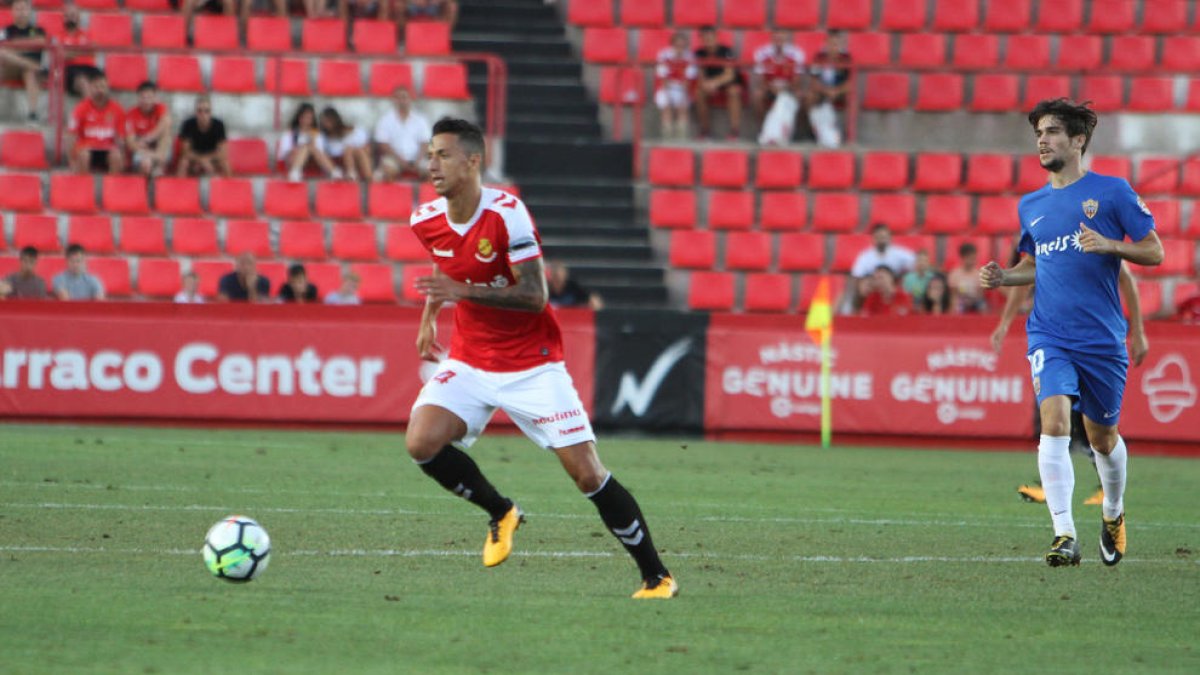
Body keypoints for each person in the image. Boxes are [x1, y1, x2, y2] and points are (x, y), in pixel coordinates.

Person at [407, 118, 677, 599]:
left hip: (532, 363)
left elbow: (534, 296)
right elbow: (444, 261)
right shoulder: (424, 220)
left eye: (443, 154)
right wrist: (430, 314)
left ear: (473, 161)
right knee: (422, 442)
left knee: (587, 473)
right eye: (430, 154)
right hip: (470, 359)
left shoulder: (507, 214)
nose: (432, 164)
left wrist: (459, 290)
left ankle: (656, 576)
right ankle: (502, 512)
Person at [979, 99, 1164, 568]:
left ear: (1078, 140)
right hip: (1049, 334)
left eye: (1053, 131)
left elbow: (1154, 251)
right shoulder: (1032, 205)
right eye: (1039, 132)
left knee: (1103, 439)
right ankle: (1064, 534)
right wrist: (1005, 277)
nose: (1042, 140)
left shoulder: (1113, 192)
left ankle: (1114, 511)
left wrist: (1110, 245)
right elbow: (1034, 265)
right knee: (1055, 424)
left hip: (1101, 339)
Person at [752, 30, 805, 139]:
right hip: (769, 87)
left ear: (787, 38)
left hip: (789, 87)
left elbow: (797, 80)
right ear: (772, 38)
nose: (779, 40)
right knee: (757, 95)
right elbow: (760, 79)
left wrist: (785, 88)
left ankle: (796, 132)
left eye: (782, 38)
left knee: (800, 95)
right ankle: (763, 129)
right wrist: (771, 87)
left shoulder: (796, 53)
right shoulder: (762, 52)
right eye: (777, 38)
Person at [693, 26, 743, 140]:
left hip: (727, 82)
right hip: (710, 83)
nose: (708, 41)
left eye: (711, 37)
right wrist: (706, 84)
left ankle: (734, 131)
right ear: (701, 39)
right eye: (705, 38)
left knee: (734, 92)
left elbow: (729, 74)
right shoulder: (699, 53)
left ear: (716, 37)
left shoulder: (726, 51)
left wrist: (715, 83)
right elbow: (700, 74)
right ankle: (705, 131)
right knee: (699, 93)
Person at [803, 29, 852, 148]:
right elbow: (814, 82)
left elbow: (850, 83)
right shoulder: (819, 57)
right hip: (822, 90)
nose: (833, 47)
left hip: (839, 91)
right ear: (826, 43)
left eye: (836, 44)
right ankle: (815, 130)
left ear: (841, 45)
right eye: (831, 43)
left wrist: (836, 91)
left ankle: (848, 135)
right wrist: (826, 91)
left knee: (851, 97)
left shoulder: (847, 58)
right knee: (809, 97)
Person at [68, 73, 124, 174]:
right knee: (84, 155)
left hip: (107, 149)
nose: (99, 90)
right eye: (96, 87)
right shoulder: (80, 108)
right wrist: (71, 159)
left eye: (102, 86)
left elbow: (121, 137)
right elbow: (71, 135)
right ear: (90, 88)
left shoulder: (117, 108)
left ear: (107, 88)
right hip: (86, 148)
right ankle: (84, 187)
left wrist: (122, 156)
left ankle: (111, 188)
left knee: (116, 156)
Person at [0, 0, 45, 122]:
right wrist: (28, 45)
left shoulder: (38, 30)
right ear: (13, 11)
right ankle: (31, 65)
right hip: (11, 68)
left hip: (29, 71)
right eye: (18, 9)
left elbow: (40, 42)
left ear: (30, 11)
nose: (21, 12)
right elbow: (2, 50)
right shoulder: (5, 30)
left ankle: (32, 114)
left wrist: (13, 47)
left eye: (24, 9)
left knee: (29, 72)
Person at [374, 87, 431, 180]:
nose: (402, 101)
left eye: (404, 97)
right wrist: (401, 161)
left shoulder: (420, 119)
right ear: (394, 100)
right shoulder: (385, 120)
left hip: (417, 158)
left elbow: (425, 143)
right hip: (394, 158)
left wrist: (418, 161)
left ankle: (426, 195)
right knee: (387, 172)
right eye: (398, 98)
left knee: (433, 173)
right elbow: (383, 145)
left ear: (410, 99)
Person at [653, 31, 697, 140]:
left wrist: (683, 95)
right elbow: (662, 76)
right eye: (677, 45)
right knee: (666, 107)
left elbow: (689, 78)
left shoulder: (690, 57)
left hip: (682, 88)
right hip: (666, 86)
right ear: (672, 44)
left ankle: (681, 137)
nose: (680, 48)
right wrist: (667, 95)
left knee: (683, 107)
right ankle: (667, 137)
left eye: (683, 45)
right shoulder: (663, 54)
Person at [279, 103, 337, 181]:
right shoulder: (290, 134)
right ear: (300, 118)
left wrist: (312, 144)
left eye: (310, 118)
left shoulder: (317, 134)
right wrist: (297, 150)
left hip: (313, 162)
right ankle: (295, 172)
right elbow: (282, 154)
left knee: (310, 148)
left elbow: (321, 152)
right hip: (293, 160)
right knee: (305, 148)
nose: (307, 120)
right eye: (305, 117)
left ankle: (334, 171)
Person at [125, 81, 172, 177]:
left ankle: (159, 168)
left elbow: (166, 122)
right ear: (138, 98)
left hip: (157, 147)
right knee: (146, 164)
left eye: (150, 97)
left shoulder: (160, 108)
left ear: (155, 98)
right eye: (143, 97)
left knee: (166, 130)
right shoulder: (131, 114)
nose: (146, 101)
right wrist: (145, 152)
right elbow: (131, 143)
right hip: (141, 150)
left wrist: (148, 138)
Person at [177, 95, 230, 177]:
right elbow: (185, 152)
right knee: (183, 163)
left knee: (225, 163)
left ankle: (230, 187)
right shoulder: (188, 124)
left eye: (206, 111)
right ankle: (178, 188)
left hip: (213, 159)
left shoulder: (219, 125)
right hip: (193, 159)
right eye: (199, 111)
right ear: (195, 112)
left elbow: (222, 152)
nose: (203, 114)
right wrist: (202, 160)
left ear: (211, 112)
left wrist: (207, 159)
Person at [318, 106, 372, 182]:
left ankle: (368, 179)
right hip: (339, 165)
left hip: (358, 160)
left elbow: (367, 150)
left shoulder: (357, 132)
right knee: (348, 150)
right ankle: (352, 175)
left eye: (329, 121)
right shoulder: (323, 138)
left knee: (358, 150)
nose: (327, 125)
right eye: (324, 122)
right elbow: (322, 153)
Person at [61, 2, 102, 99]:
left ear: (79, 17)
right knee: (83, 81)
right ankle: (91, 111)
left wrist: (73, 52)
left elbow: (94, 51)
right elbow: (62, 55)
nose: (70, 18)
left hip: (89, 68)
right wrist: (83, 50)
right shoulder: (58, 36)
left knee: (102, 82)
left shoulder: (87, 34)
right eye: (68, 15)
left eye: (73, 15)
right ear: (64, 17)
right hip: (70, 70)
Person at [851, 224, 916, 280]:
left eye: (884, 237)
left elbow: (917, 264)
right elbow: (857, 275)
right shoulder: (865, 256)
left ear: (890, 238)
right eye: (879, 237)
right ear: (873, 239)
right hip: (873, 287)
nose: (882, 240)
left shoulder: (900, 253)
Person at [947, 242, 987, 313]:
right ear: (963, 258)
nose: (973, 261)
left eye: (974, 258)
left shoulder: (979, 273)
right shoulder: (955, 274)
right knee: (956, 307)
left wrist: (972, 300)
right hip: (961, 300)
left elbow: (980, 294)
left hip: (975, 300)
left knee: (982, 306)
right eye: (971, 258)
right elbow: (953, 295)